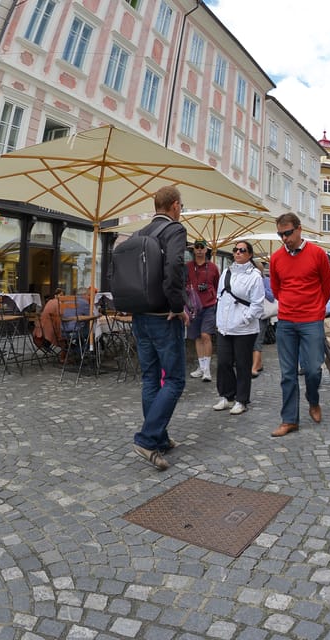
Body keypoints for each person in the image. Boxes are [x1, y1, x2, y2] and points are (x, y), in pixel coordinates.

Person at [131, 185, 189, 470]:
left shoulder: (139, 233)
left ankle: (160, 437)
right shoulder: (174, 231)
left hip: (140, 315)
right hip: (163, 316)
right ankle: (147, 438)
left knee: (151, 378)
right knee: (175, 379)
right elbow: (176, 267)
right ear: (175, 206)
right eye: (182, 206)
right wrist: (178, 307)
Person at [269, 212, 330, 437]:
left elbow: (327, 287)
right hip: (286, 320)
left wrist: (315, 309)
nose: (284, 238)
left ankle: (313, 400)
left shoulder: (317, 254)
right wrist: (288, 305)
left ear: (299, 229)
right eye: (280, 234)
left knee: (314, 369)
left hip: (311, 320)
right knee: (287, 373)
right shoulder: (276, 258)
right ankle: (290, 420)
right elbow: (276, 288)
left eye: (287, 233)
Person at [212, 240, 264, 415]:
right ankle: (227, 396)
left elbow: (257, 304)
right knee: (223, 362)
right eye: (235, 250)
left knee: (242, 364)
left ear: (249, 254)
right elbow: (220, 298)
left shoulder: (255, 276)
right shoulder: (226, 272)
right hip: (224, 326)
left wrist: (244, 318)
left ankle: (242, 399)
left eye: (242, 250)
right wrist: (219, 320)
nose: (238, 253)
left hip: (244, 328)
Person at [187, 239, 220, 382]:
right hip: (193, 306)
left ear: (206, 250)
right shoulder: (187, 266)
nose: (199, 249)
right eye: (197, 247)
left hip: (209, 305)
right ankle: (201, 366)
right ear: (194, 249)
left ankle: (207, 369)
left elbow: (217, 285)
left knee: (206, 335)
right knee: (197, 337)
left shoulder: (212, 267)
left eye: (202, 247)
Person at [252, 262, 274, 378]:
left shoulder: (266, 281)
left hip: (262, 315)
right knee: (252, 341)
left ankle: (254, 367)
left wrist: (260, 288)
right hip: (250, 315)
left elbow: (271, 297)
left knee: (257, 341)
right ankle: (258, 364)